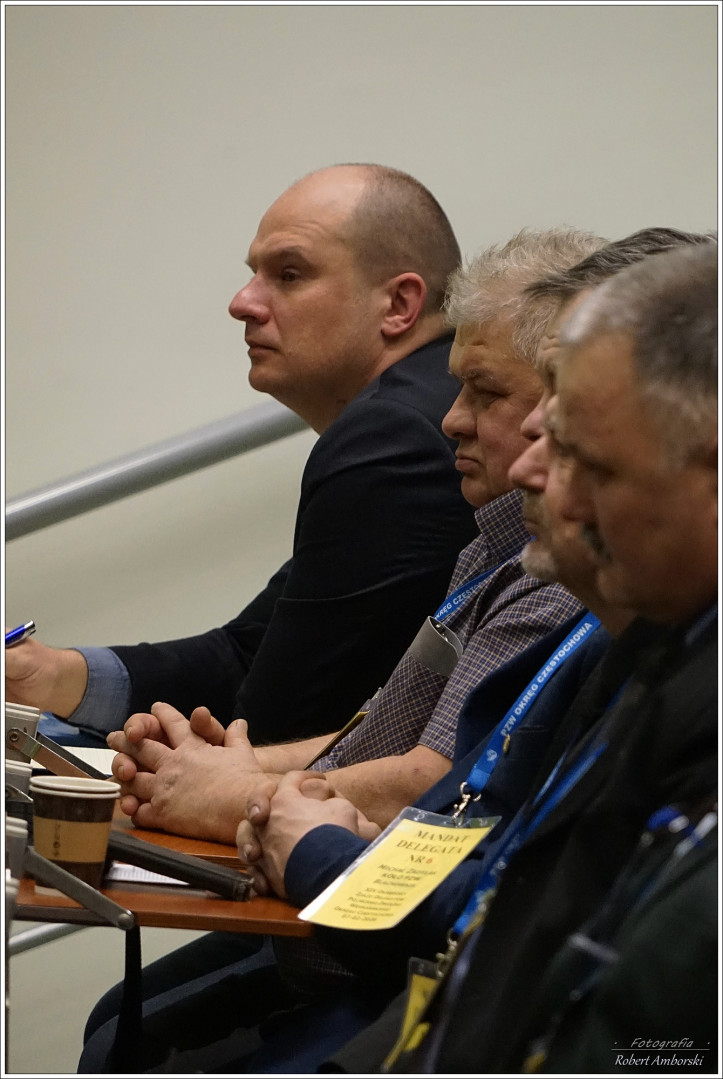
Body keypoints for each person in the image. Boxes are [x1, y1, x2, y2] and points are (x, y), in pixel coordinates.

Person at [80, 227, 703, 1073]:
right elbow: (497, 882)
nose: (534, 464)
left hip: (402, 978)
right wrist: (256, 786)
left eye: (579, 442)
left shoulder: (633, 645)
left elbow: (486, 886)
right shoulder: (620, 632)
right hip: (412, 980)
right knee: (123, 1025)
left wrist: (277, 818)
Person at [312, 238, 718, 1074]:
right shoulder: (649, 651)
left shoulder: (676, 678)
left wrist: (311, 846)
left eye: (582, 454)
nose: (534, 466)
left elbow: (650, 1049)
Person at [5, 163, 479, 747]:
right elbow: (249, 652)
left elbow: (274, 727)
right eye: (253, 273)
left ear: (399, 304)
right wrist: (54, 676)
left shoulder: (393, 436)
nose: (242, 302)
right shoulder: (413, 408)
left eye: (289, 274)